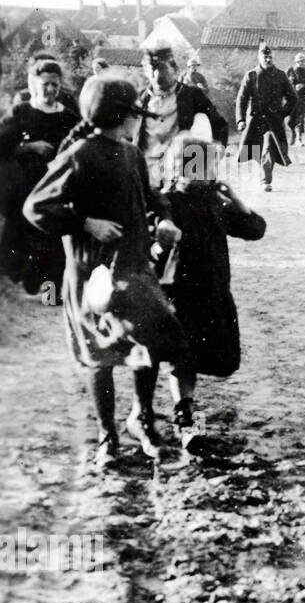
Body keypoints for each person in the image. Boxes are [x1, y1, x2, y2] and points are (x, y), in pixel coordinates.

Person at [23, 76, 190, 466]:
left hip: (133, 268)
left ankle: (142, 419)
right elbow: (36, 207)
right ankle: (107, 436)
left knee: (148, 342)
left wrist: (163, 218)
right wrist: (84, 223)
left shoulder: (131, 154)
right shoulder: (79, 154)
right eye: (134, 115)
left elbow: (153, 197)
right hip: (92, 276)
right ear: (123, 116)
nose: (137, 122)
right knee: (100, 356)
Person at [153, 135, 266, 451]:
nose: (209, 171)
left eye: (211, 165)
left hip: (214, 293)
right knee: (182, 358)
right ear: (181, 167)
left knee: (219, 359)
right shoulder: (168, 202)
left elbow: (256, 230)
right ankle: (185, 416)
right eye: (201, 165)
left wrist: (235, 198)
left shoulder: (215, 201)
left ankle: (186, 412)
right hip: (180, 293)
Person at [0, 56, 82, 302]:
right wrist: (28, 147)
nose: (50, 89)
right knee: (24, 237)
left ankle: (50, 293)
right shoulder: (22, 112)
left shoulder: (68, 116)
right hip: (25, 186)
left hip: (55, 188)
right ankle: (25, 285)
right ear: (33, 84)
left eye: (54, 85)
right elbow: (2, 144)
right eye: (45, 84)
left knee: (52, 240)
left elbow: (80, 145)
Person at [138, 45, 228, 189]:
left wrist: (215, 153)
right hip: (147, 176)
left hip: (182, 177)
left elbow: (219, 124)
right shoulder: (139, 99)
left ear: (175, 70)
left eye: (162, 68)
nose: (157, 74)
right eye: (152, 68)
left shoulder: (191, 95)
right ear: (145, 71)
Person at [235, 42, 295, 191]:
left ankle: (265, 180)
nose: (268, 60)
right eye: (265, 56)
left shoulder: (280, 75)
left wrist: (283, 112)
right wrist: (240, 119)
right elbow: (241, 98)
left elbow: (292, 97)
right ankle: (263, 172)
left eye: (270, 57)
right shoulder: (251, 75)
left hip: (273, 120)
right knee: (257, 148)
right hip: (255, 119)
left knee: (269, 147)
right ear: (259, 57)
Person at [286, 53, 305, 146]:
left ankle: (299, 138)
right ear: (296, 61)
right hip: (290, 99)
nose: (301, 63)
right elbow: (284, 83)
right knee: (290, 120)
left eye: (302, 61)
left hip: (301, 99)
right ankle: (293, 135)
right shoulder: (290, 71)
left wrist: (303, 86)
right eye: (299, 61)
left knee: (300, 118)